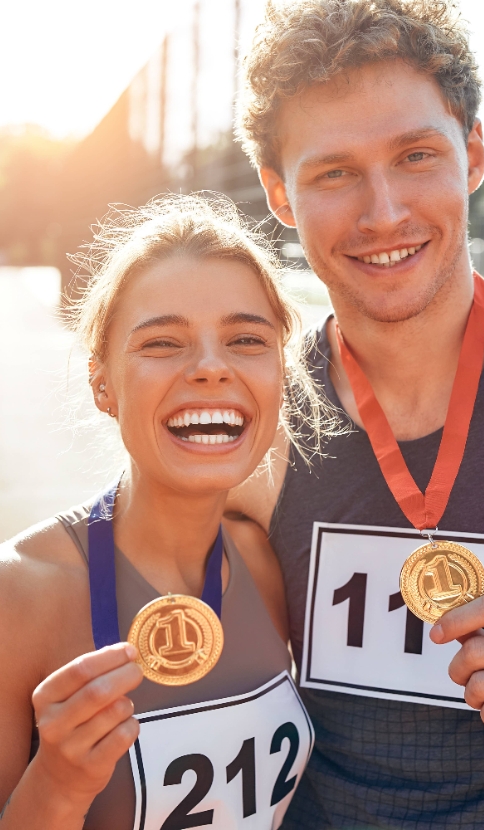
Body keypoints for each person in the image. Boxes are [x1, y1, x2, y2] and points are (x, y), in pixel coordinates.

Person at [225, 0, 484, 826]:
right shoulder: (260, 418)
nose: (384, 213)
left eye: (415, 156)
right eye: (334, 173)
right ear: (279, 194)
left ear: (472, 154)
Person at [0, 194, 335, 828]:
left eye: (245, 339)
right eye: (162, 343)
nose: (211, 367)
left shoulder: (265, 564)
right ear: (103, 384)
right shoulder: (17, 594)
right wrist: (59, 785)